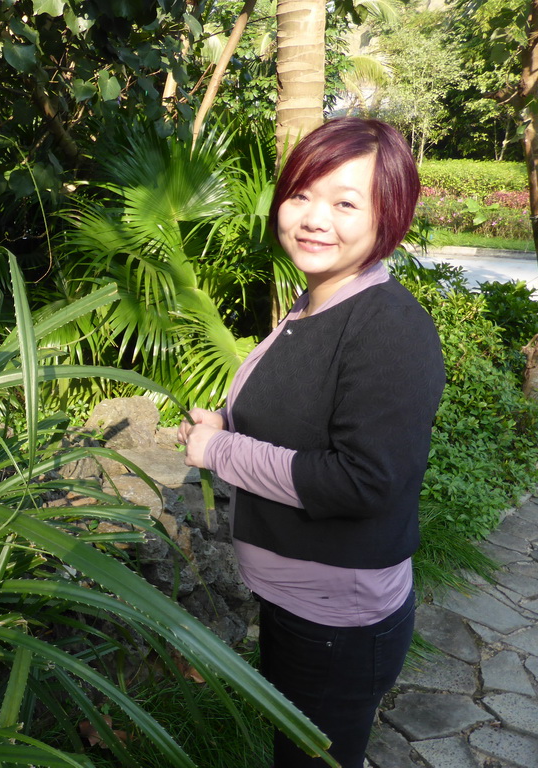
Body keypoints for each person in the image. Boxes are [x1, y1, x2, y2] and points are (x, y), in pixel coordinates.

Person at [177, 117, 445, 768]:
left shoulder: (389, 328)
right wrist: (227, 424)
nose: (314, 217)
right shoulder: (316, 301)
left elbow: (363, 481)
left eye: (345, 202)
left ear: (389, 214)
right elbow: (305, 419)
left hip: (338, 623)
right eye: (301, 194)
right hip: (299, 605)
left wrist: (219, 453)